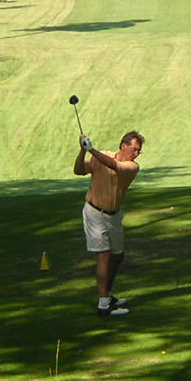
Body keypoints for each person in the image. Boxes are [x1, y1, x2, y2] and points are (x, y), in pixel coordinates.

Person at [74, 130, 144, 317]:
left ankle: (108, 294)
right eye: (134, 149)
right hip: (94, 212)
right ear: (123, 145)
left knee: (117, 256)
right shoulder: (101, 156)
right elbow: (79, 170)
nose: (136, 154)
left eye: (139, 151)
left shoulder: (132, 166)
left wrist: (92, 150)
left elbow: (113, 165)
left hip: (114, 216)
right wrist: (83, 151)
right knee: (104, 254)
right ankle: (104, 304)